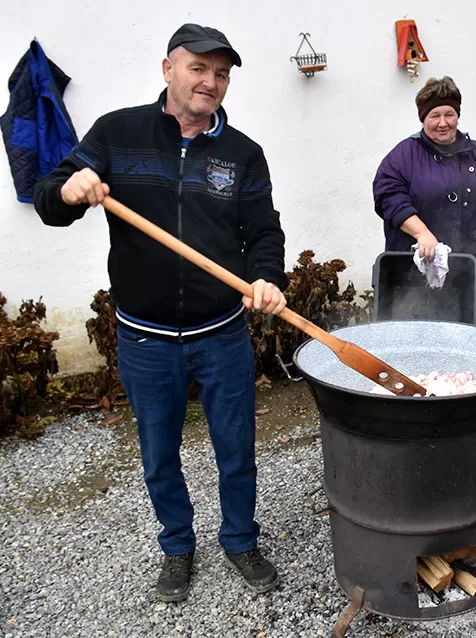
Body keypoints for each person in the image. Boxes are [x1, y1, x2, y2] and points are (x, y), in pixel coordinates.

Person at [33, 24, 288, 603]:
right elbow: (52, 196)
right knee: (158, 453)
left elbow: (263, 231)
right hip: (145, 338)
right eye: (199, 68)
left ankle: (240, 539)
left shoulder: (242, 153)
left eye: (221, 73)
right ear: (168, 68)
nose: (211, 82)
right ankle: (177, 547)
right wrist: (71, 189)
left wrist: (267, 277)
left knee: (236, 446)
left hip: (221, 331)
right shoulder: (117, 134)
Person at [372, 75, 476, 330]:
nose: (443, 123)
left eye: (450, 114)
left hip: (475, 272)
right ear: (422, 118)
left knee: (475, 342)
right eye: (434, 115)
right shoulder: (403, 156)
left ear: (458, 115)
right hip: (418, 278)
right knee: (421, 345)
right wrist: (422, 234)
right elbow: (389, 198)